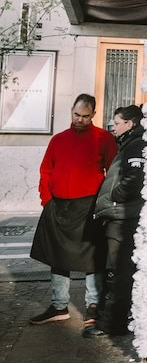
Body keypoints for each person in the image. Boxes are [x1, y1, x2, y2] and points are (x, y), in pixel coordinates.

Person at [29, 94, 118, 326]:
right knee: (57, 257)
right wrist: (46, 200)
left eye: (85, 116)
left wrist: (103, 204)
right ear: (71, 111)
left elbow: (114, 175)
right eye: (76, 114)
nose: (80, 120)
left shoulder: (104, 139)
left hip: (88, 207)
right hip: (58, 205)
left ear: (94, 115)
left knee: (92, 257)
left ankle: (93, 306)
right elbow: (46, 170)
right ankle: (59, 306)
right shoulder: (58, 139)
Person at [87, 105, 146, 338]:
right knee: (119, 269)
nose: (113, 126)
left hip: (122, 215)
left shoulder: (135, 144)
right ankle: (114, 319)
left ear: (130, 124)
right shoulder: (130, 143)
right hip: (120, 213)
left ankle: (114, 323)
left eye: (117, 122)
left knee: (121, 270)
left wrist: (114, 197)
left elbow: (134, 178)